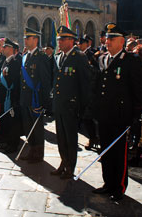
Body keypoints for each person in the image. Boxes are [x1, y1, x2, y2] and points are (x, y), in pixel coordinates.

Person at [92, 22, 142, 202]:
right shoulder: (101, 58)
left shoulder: (131, 61)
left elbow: (138, 90)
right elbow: (99, 87)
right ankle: (108, 183)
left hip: (121, 116)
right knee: (105, 151)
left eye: (112, 38)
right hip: (104, 115)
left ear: (122, 41)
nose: (108, 41)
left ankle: (119, 187)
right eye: (107, 38)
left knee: (118, 154)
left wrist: (135, 116)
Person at [51, 26, 91, 179]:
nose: (59, 42)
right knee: (61, 137)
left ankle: (70, 167)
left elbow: (85, 84)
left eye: (62, 39)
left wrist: (82, 107)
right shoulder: (60, 56)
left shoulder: (79, 57)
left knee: (70, 138)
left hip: (71, 105)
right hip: (60, 104)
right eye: (59, 39)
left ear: (71, 40)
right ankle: (63, 162)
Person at [20, 27, 51, 163]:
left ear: (35, 39)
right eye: (25, 38)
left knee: (37, 127)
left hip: (36, 98)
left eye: (28, 38)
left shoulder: (42, 57)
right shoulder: (26, 56)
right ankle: (32, 149)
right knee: (28, 126)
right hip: (26, 97)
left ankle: (38, 154)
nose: (25, 40)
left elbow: (45, 80)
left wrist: (44, 102)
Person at [0, 39, 22, 154]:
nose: (3, 49)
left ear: (11, 49)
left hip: (11, 96)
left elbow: (14, 79)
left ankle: (13, 144)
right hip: (5, 94)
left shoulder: (15, 62)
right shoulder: (7, 61)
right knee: (6, 120)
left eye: (5, 47)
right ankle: (7, 141)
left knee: (13, 122)